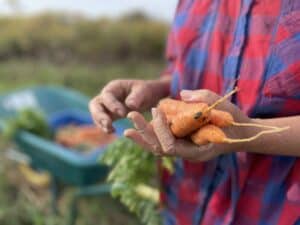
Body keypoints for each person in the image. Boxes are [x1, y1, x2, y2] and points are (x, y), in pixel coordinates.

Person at [89, 0, 300, 224]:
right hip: (184, 204)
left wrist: (249, 133)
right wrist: (155, 89)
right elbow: (179, 68)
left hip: (274, 211)